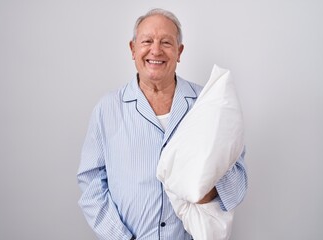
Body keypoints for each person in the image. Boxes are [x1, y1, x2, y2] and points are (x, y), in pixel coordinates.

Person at [77, 8, 247, 240]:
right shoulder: (107, 109)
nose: (155, 50)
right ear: (133, 49)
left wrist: (202, 189)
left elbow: (238, 177)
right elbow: (91, 185)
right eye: (147, 41)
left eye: (166, 42)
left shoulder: (207, 103)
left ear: (179, 51)